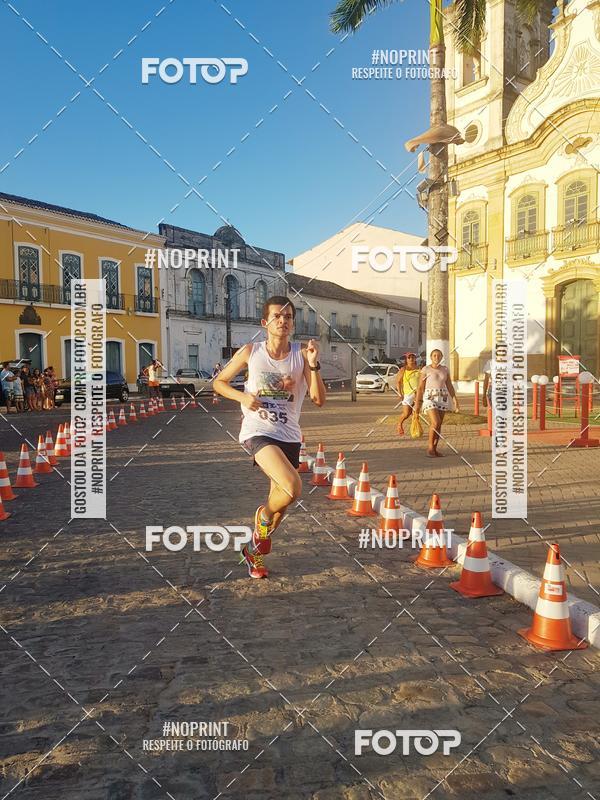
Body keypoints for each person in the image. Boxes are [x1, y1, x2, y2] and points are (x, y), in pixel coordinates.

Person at [213, 296, 326, 579]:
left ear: (293, 323)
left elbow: (318, 399)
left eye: (288, 317)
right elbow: (219, 382)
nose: (283, 321)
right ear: (266, 323)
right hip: (258, 432)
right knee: (293, 486)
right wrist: (243, 397)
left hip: (290, 435)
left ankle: (254, 552)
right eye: (277, 316)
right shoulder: (251, 351)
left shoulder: (302, 353)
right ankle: (261, 519)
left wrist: (314, 365)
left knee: (282, 502)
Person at [414, 349, 459, 457]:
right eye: (434, 355)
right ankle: (429, 448)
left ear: (441, 357)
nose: (436, 357)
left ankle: (435, 448)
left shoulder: (445, 369)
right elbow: (420, 387)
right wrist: (417, 403)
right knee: (435, 422)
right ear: (431, 357)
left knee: (439, 424)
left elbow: (449, 386)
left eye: (439, 355)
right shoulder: (426, 369)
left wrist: (455, 400)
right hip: (429, 397)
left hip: (442, 397)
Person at [396, 352, 420, 435]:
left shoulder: (419, 369)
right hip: (407, 394)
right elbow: (398, 382)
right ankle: (399, 424)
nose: (411, 359)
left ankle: (415, 429)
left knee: (415, 413)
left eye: (413, 357)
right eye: (409, 358)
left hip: (418, 394)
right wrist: (400, 393)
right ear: (406, 359)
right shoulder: (403, 370)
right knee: (406, 413)